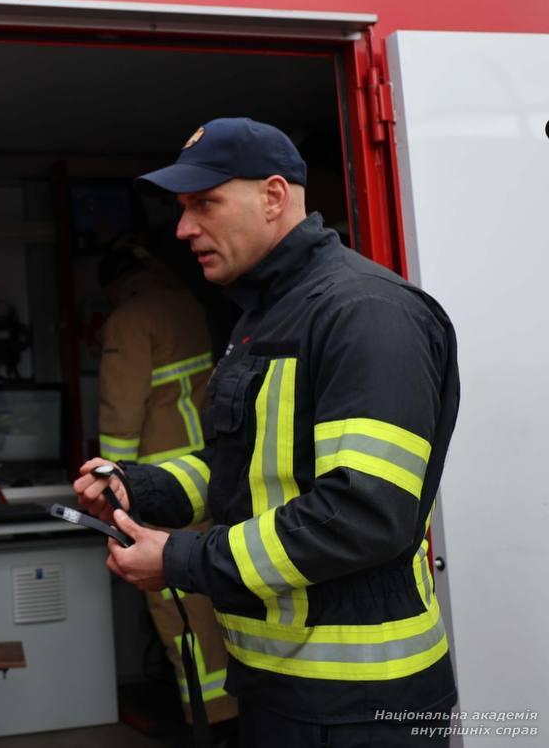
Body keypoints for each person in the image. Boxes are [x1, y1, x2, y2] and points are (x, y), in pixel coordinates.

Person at [74, 118, 459, 747]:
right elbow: (241, 464)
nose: (183, 229)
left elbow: (361, 516)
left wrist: (180, 559)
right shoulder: (268, 314)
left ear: (274, 196)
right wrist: (138, 487)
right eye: (181, 208)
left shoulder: (364, 313)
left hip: (361, 706)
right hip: (278, 688)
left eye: (205, 204)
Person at [95, 241, 238, 729]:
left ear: (115, 287)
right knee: (212, 596)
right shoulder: (187, 305)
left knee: (178, 613)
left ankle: (209, 716)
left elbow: (120, 412)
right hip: (207, 475)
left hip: (159, 489)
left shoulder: (129, 321)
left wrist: (110, 485)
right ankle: (231, 712)